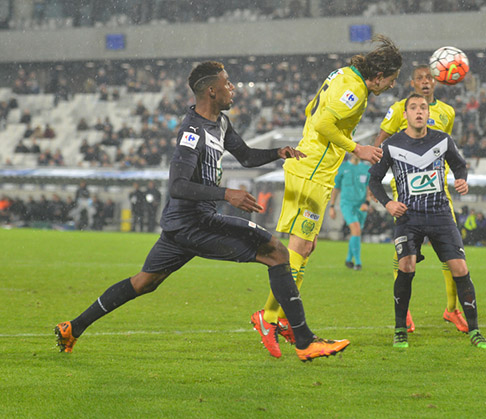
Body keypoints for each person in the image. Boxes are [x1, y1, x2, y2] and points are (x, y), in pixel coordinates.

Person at [55, 61, 349, 362]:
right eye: (227, 83)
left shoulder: (220, 123)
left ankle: (72, 327)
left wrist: (278, 152)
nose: (232, 87)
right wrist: (227, 194)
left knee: (145, 282)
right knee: (276, 252)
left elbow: (245, 156)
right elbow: (178, 186)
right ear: (211, 90)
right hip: (193, 222)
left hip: (181, 225)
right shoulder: (191, 132)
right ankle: (304, 341)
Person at [251, 35, 401, 358]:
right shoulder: (357, 89)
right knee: (299, 247)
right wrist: (355, 147)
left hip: (307, 166)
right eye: (391, 80)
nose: (391, 86)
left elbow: (311, 108)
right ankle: (270, 318)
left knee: (305, 247)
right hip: (313, 172)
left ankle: (282, 320)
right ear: (378, 75)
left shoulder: (342, 74)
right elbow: (321, 120)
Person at [368, 93, 486, 349]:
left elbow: (460, 165)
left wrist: (461, 179)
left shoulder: (442, 140)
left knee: (460, 269)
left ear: (428, 113)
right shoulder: (391, 145)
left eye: (423, 107)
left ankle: (475, 331)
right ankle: (400, 329)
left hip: (439, 214)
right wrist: (388, 203)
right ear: (405, 115)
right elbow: (373, 179)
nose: (419, 111)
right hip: (408, 216)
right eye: (413, 108)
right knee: (406, 267)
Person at [372, 64, 468, 334]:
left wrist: (458, 176)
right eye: (420, 79)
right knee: (404, 254)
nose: (425, 82)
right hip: (405, 192)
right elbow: (383, 140)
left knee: (450, 252)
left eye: (429, 78)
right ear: (412, 84)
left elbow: (445, 146)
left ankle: (452, 309)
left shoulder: (446, 112)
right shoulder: (400, 109)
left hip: (439, 191)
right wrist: (377, 177)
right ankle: (405, 310)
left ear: (437, 82)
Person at [328, 154, 371, 271]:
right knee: (356, 229)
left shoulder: (366, 169)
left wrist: (367, 202)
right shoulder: (342, 168)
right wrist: (331, 206)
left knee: (356, 232)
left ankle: (348, 259)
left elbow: (369, 188)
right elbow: (335, 188)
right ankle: (358, 262)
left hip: (361, 205)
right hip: (347, 204)